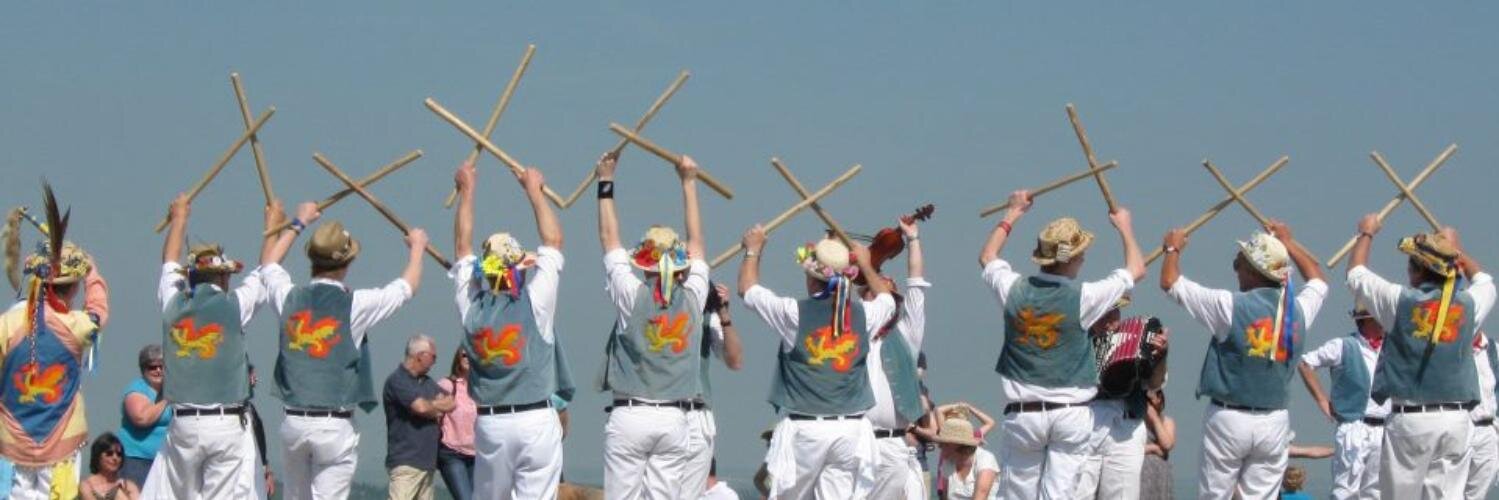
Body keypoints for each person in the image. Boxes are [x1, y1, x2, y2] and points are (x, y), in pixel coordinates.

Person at [977, 190, 1145, 499]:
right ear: (1077, 258)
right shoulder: (1085, 297)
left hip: (1024, 414)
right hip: (1071, 413)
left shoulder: (1013, 288)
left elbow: (987, 257)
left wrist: (1013, 212)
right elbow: (1136, 269)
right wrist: (1124, 227)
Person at [261, 201, 428, 500]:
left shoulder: (288, 297)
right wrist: (417, 248)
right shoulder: (356, 305)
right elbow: (407, 287)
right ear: (347, 263)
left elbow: (269, 265)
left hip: (293, 422)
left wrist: (298, 223)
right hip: (333, 426)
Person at [1161, 220, 1328, 499]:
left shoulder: (1229, 306)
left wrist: (1172, 248)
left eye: (1240, 262)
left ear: (1254, 270)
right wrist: (1289, 243)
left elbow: (1169, 281)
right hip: (1274, 421)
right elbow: (1318, 279)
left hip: (1229, 418)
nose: (1235, 268)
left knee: (1215, 495)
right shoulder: (1298, 311)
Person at [140, 193, 285, 499]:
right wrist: (272, 225)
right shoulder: (234, 306)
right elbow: (266, 271)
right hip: (223, 423)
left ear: (190, 277)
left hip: (183, 425)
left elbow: (168, 262)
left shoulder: (171, 304)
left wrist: (179, 217)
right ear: (223, 276)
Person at [738, 225, 895, 499]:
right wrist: (868, 266)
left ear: (811, 278)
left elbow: (747, 290)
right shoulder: (866, 315)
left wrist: (754, 250)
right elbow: (888, 300)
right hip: (849, 430)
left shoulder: (793, 314)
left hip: (807, 429)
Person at [1345, 217, 1494, 499]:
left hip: (1410, 421)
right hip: (1456, 420)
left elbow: (1356, 274)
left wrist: (1366, 233)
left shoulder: (1397, 301)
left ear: (1416, 271)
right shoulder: (1469, 305)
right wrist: (1456, 252)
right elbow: (1485, 281)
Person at [596, 151, 713, 499]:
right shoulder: (694, 295)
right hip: (675, 418)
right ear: (680, 267)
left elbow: (608, 239)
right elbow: (698, 244)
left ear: (644, 264)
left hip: (631, 414)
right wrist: (688, 182)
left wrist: (605, 181)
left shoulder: (630, 295)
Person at [453, 160, 573, 499]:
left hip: (492, 424)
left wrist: (467, 191)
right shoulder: (536, 303)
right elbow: (554, 241)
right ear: (520, 266)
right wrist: (534, 191)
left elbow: (462, 249)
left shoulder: (470, 307)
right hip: (536, 419)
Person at [0, 219, 110, 500]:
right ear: (74, 288)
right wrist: (91, 269)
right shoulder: (78, 325)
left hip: (12, 442)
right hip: (61, 442)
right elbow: (98, 307)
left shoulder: (6, 324)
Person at [858, 215, 929, 500]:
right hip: (854, 442)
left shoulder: (907, 335)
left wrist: (913, 239)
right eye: (871, 296)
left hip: (892, 444)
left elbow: (916, 286)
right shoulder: (850, 335)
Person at [1075, 295, 1169, 500]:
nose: (1111, 319)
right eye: (1104, 313)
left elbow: (1155, 384)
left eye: (1115, 312)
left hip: (1126, 422)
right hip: (1085, 420)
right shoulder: (1076, 342)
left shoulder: (1138, 335)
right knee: (1076, 493)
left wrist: (1161, 355)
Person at [1296, 304, 1388, 500]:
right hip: (1355, 425)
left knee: (1376, 491)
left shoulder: (1391, 348)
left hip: (1384, 426)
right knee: (1346, 489)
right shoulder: (1343, 345)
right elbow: (1306, 363)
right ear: (1368, 320)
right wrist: (1322, 400)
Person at [683, 282, 745, 497]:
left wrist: (723, 313)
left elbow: (735, 360)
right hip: (657, 409)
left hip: (695, 412)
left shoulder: (708, 319)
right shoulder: (651, 304)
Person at [383, 334, 454, 500]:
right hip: (406, 463)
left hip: (427, 464)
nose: (435, 361)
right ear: (420, 355)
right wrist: (434, 406)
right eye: (433, 356)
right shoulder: (398, 380)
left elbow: (451, 402)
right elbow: (420, 408)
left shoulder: (427, 382)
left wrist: (430, 406)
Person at [119, 345, 170, 489]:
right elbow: (141, 418)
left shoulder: (173, 388)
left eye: (162, 366)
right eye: (152, 367)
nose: (158, 370)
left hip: (165, 459)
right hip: (136, 460)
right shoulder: (137, 388)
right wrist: (166, 400)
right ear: (143, 369)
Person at [931, 404, 998, 500]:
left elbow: (980, 496)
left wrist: (967, 406)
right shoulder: (948, 463)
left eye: (944, 444)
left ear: (956, 444)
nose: (940, 447)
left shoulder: (985, 460)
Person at [436, 348, 476, 500]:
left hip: (477, 454)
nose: (468, 358)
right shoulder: (447, 385)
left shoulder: (481, 388)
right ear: (458, 359)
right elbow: (434, 411)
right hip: (452, 452)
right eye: (464, 355)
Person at [1467, 331, 1499, 499]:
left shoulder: (1494, 350)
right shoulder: (1452, 349)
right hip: (1461, 428)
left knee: (1478, 493)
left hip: (1487, 429)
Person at [1140, 389, 1175, 500]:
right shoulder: (1136, 422)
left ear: (1159, 398)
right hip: (1141, 474)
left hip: (1160, 475)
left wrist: (1155, 418)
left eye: (1150, 399)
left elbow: (1167, 444)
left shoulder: (1167, 421)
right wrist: (1154, 448)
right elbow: (1131, 448)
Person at [82, 433, 140, 500]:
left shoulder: (129, 486)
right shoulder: (86, 485)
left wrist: (122, 495)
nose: (115, 457)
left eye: (119, 454)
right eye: (109, 453)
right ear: (98, 456)